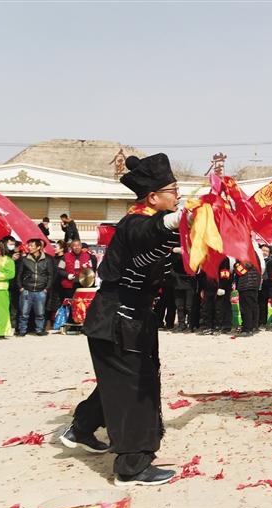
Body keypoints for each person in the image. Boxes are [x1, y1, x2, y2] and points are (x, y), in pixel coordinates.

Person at [60, 153, 182, 486]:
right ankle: (131, 467)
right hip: (116, 319)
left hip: (132, 318)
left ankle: (81, 429)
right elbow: (147, 232)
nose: (178, 196)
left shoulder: (157, 227)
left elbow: (168, 252)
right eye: (173, 190)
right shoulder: (135, 223)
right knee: (135, 386)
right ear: (153, 197)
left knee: (118, 381)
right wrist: (178, 219)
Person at [16, 238, 55, 337]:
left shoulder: (47, 259)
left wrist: (46, 288)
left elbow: (50, 275)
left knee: (40, 313)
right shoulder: (24, 259)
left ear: (38, 247)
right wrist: (21, 287)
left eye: (31, 246)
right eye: (29, 246)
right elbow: (19, 274)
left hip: (41, 290)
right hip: (26, 290)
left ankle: (39, 330)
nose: (29, 247)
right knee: (24, 313)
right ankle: (22, 330)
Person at [234, 241, 264, 337]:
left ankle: (247, 329)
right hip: (251, 283)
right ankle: (253, 326)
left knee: (246, 307)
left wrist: (236, 265)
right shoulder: (252, 253)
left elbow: (242, 269)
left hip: (247, 283)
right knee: (252, 306)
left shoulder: (248, 253)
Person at [198, 257, 232, 335]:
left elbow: (225, 273)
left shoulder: (224, 258)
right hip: (207, 287)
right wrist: (202, 288)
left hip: (218, 286)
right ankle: (208, 326)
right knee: (206, 308)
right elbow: (202, 275)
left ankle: (218, 327)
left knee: (218, 308)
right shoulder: (205, 259)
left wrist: (222, 287)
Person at [0, 241, 15, 339]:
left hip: (1, 288)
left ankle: (1, 332)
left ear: (1, 248)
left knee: (2, 311)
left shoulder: (8, 260)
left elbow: (11, 274)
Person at [257, 244, 272, 330]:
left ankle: (262, 323)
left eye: (267, 251)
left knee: (263, 304)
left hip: (265, 284)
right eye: (263, 250)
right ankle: (255, 322)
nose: (264, 252)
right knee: (255, 304)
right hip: (255, 284)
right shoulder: (256, 259)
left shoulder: (270, 261)